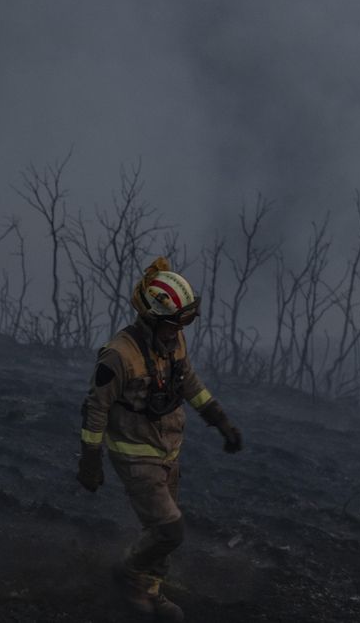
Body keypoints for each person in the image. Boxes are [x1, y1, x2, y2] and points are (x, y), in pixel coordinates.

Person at [76, 256, 243, 621]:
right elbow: (96, 408)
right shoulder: (118, 356)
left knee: (161, 531)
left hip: (169, 450)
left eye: (185, 321)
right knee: (170, 529)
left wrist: (219, 420)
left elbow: (189, 384)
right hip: (135, 456)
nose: (181, 329)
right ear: (152, 318)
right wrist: (90, 458)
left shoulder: (173, 340)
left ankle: (147, 594)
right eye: (175, 322)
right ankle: (126, 572)